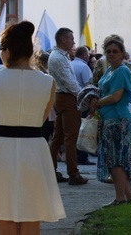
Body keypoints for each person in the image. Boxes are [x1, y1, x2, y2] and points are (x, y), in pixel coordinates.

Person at [0, 20, 65, 234]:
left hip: (1, 148)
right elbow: (40, 120)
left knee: (5, 218)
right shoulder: (48, 82)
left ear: (8, 50)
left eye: (0, 49)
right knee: (32, 216)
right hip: (34, 149)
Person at [90, 35, 131, 206]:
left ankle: (120, 199)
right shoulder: (110, 70)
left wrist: (98, 103)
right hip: (111, 118)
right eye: (108, 51)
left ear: (122, 53)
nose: (111, 54)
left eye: (115, 51)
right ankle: (130, 197)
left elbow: (115, 96)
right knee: (116, 161)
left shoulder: (122, 70)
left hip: (118, 119)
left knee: (116, 161)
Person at [47, 27, 88, 185]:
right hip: (67, 98)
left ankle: (51, 170)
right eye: (71, 38)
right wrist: (83, 96)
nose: (73, 41)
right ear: (63, 39)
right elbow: (69, 82)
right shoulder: (58, 57)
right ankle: (73, 173)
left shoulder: (60, 56)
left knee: (58, 137)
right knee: (70, 137)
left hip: (62, 97)